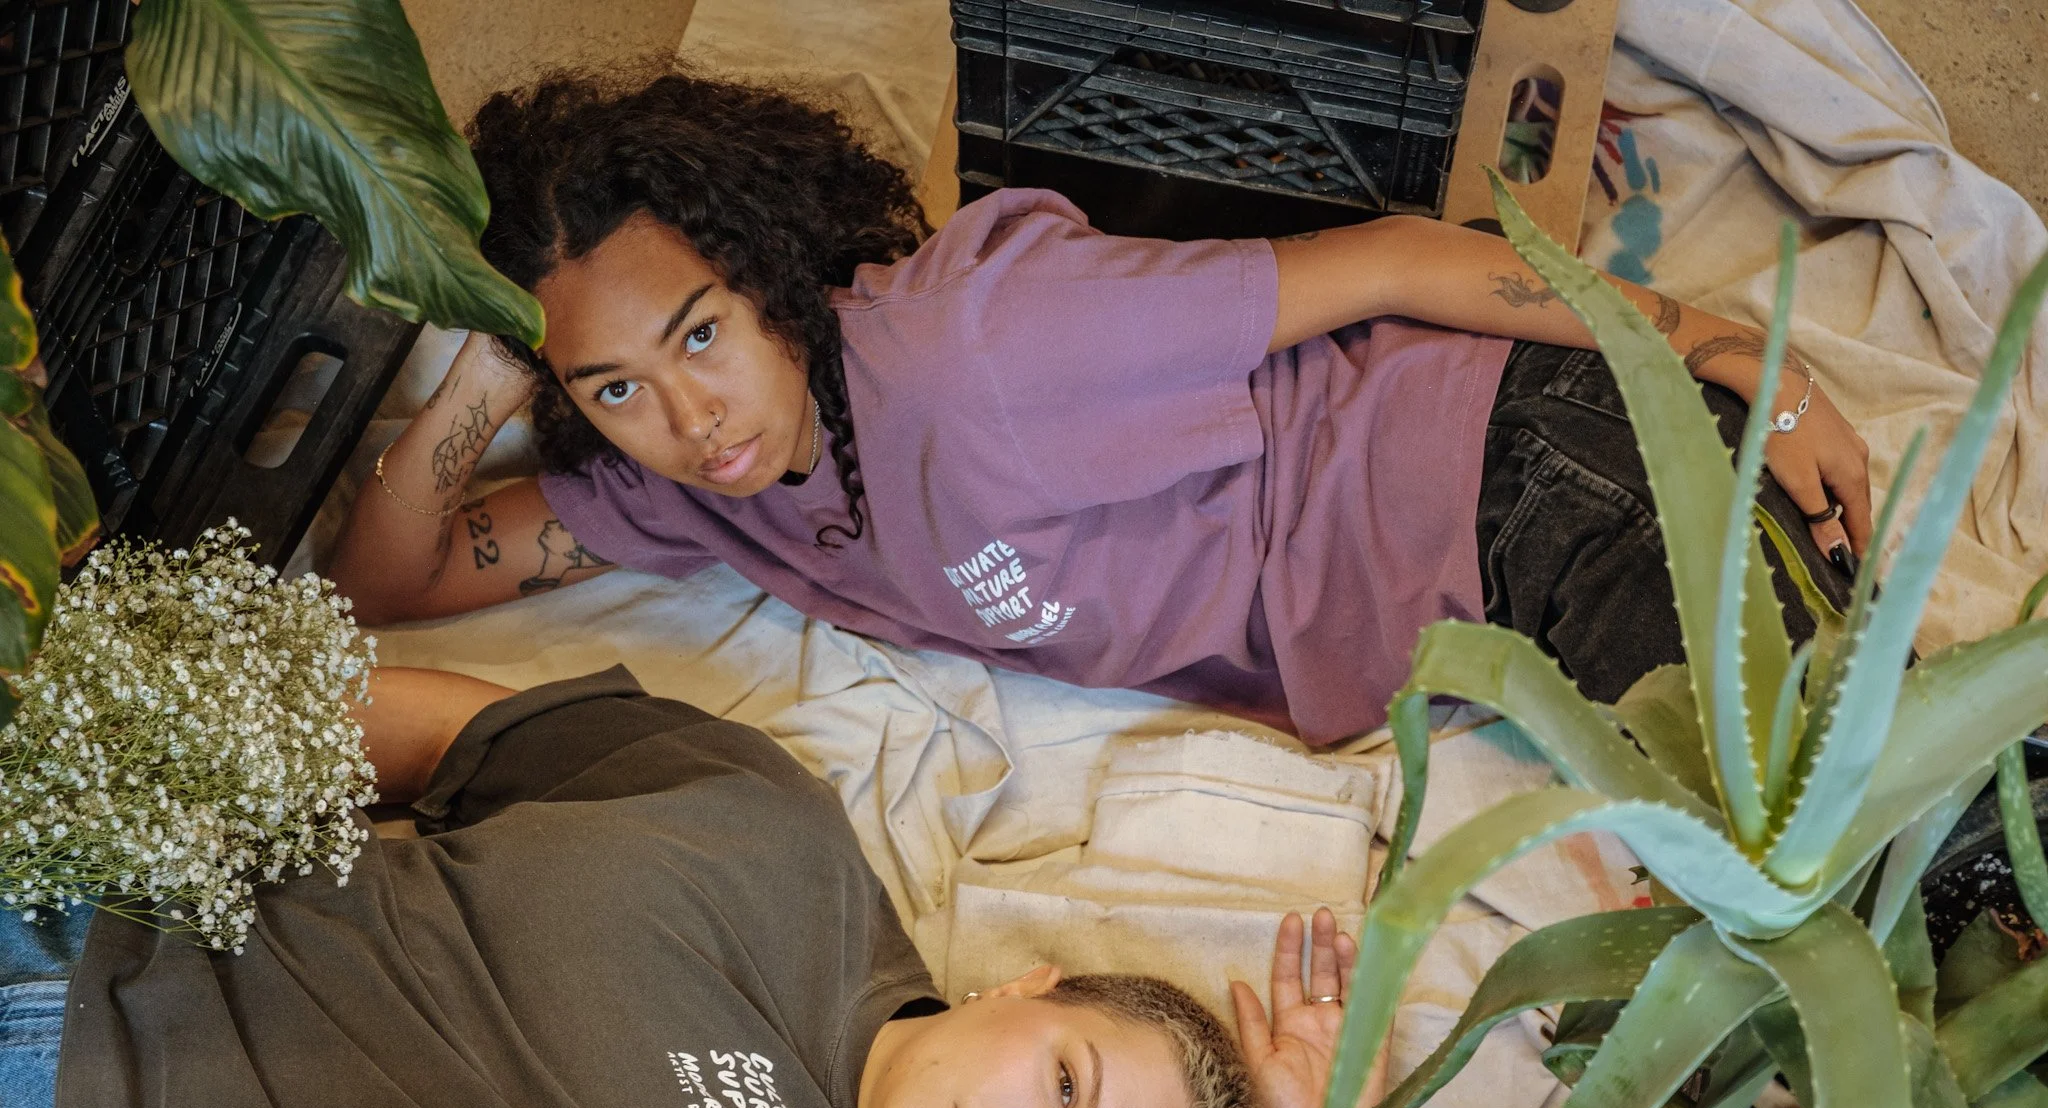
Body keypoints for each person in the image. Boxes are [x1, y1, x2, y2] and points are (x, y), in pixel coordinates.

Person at [330, 72, 1867, 744]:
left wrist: (1741, 361)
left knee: (1842, 842)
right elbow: (384, 582)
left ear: (760, 271)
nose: (691, 413)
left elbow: (1388, 261)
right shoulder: (681, 487)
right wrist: (490, 348)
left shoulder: (977, 346)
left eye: (701, 333)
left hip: (1519, 470)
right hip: (1476, 607)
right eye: (618, 387)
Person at [2, 665, 1389, 1108]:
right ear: (1026, 990)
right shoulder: (764, 819)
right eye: (1070, 1088)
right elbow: (452, 737)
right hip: (96, 882)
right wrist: (128, 727)